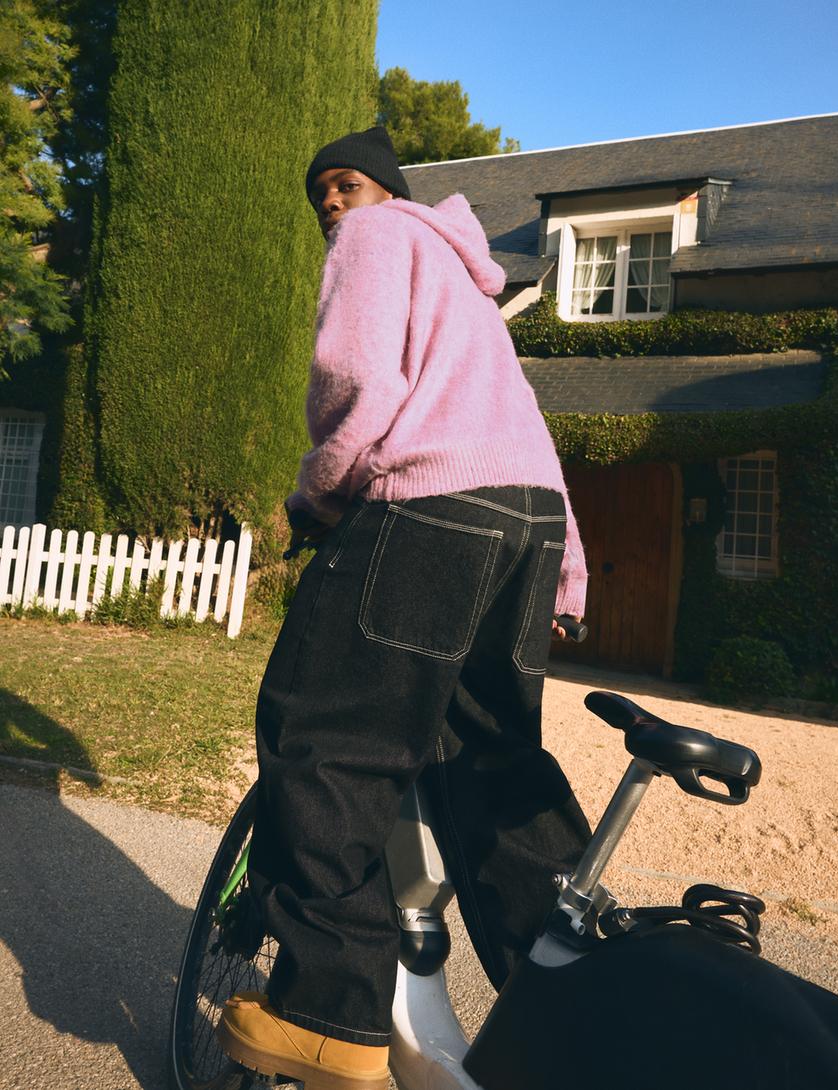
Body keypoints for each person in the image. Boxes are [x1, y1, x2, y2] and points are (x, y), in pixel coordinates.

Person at [216, 125, 592, 1090]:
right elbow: (532, 442)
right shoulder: (473, 296)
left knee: (326, 737)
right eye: (322, 197)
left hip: (427, 508)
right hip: (525, 524)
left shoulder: (378, 241)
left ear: (387, 192)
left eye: (346, 186)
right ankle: (579, 999)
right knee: (490, 763)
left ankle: (327, 1012)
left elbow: (355, 381)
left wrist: (320, 493)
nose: (333, 205)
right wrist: (565, 574)